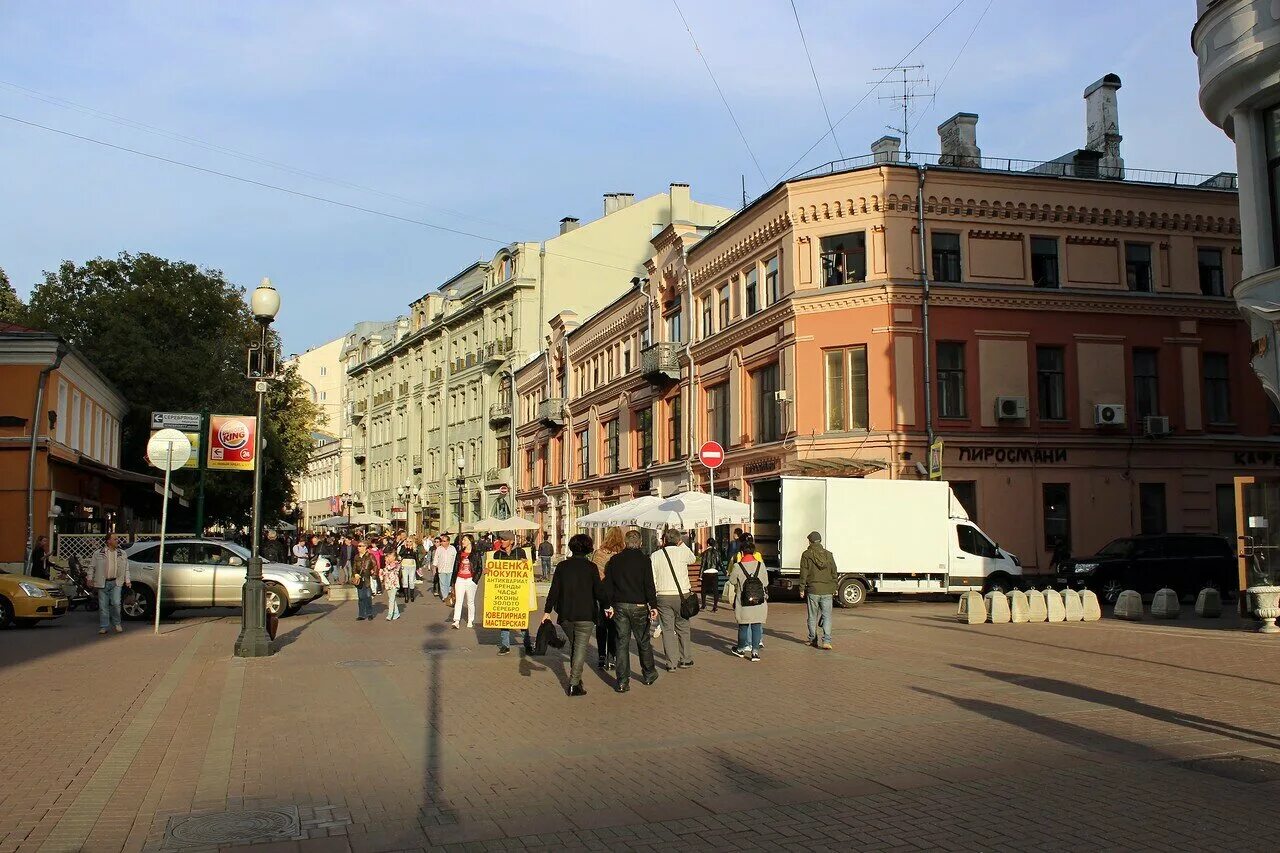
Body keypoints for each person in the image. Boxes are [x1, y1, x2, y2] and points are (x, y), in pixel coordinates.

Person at [543, 533, 611, 696]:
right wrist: (607, 606)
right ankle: (573, 684)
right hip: (586, 614)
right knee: (580, 648)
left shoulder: (562, 566)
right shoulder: (591, 567)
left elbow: (554, 590)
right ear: (588, 548)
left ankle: (577, 680)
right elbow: (599, 591)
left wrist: (547, 611)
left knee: (576, 645)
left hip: (566, 614)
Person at [603, 530, 659, 692]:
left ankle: (622, 681)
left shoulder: (615, 560)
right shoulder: (644, 560)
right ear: (640, 543)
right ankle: (648, 673)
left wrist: (608, 605)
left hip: (620, 605)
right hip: (639, 605)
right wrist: (653, 605)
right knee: (643, 640)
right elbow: (649, 585)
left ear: (625, 543)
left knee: (622, 643)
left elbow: (608, 585)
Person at [650, 528, 697, 671]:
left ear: (664, 540)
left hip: (663, 595)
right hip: (682, 594)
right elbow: (693, 559)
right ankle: (685, 659)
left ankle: (671, 663)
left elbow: (653, 578)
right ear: (678, 540)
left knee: (667, 629)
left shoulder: (655, 555)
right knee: (683, 627)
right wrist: (682, 544)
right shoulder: (682, 552)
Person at [725, 533, 768, 661]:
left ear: (742, 553)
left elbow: (732, 581)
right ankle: (755, 652)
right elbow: (765, 583)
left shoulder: (738, 566)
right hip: (759, 601)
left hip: (743, 601)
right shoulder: (761, 565)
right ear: (754, 552)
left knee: (743, 626)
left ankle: (740, 649)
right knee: (756, 626)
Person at [492, 534, 535, 655]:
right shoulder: (497, 554)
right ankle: (505, 645)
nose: (502, 541)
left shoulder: (520, 552)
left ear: (511, 541)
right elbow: (493, 570)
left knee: (521, 619)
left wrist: (525, 563)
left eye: (504, 540)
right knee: (504, 620)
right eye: (501, 539)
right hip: (503, 591)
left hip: (518, 591)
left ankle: (527, 645)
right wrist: (488, 571)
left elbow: (527, 569)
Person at [590, 527, 624, 670]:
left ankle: (601, 656)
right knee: (613, 627)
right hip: (615, 595)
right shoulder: (620, 555)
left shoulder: (598, 553)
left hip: (598, 593)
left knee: (601, 626)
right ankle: (612, 656)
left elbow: (592, 571)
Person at [799, 531, 837, 650]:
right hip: (827, 589)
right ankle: (826, 641)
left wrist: (801, 588)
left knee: (812, 616)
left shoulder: (806, 554)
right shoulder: (829, 555)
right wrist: (834, 586)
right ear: (820, 541)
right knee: (827, 616)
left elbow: (803, 572)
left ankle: (812, 639)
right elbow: (834, 572)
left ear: (810, 541)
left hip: (813, 589)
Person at [87, 532, 131, 635]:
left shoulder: (122, 553)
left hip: (116, 581)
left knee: (116, 603)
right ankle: (104, 626)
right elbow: (91, 567)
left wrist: (127, 580)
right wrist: (89, 578)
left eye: (117, 539)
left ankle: (117, 623)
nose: (117, 541)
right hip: (103, 582)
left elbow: (126, 568)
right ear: (108, 541)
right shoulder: (98, 553)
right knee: (103, 606)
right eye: (115, 539)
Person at [450, 534, 481, 629]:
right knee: (459, 601)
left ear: (470, 541)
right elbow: (455, 567)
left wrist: (474, 580)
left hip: (470, 580)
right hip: (460, 579)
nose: (462, 541)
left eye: (464, 540)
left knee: (470, 601)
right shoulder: (459, 553)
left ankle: (470, 620)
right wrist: (453, 582)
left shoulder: (476, 554)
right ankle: (456, 620)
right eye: (462, 540)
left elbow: (479, 568)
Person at [699, 538, 723, 612]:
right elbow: (720, 564)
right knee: (715, 590)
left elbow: (703, 564)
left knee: (704, 589)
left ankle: (703, 605)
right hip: (715, 572)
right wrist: (725, 572)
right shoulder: (717, 552)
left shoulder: (705, 553)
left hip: (706, 572)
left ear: (708, 544)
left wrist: (700, 575)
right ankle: (715, 607)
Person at [434, 534, 457, 602]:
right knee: (442, 583)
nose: (442, 542)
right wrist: (434, 567)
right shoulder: (439, 549)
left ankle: (448, 595)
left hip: (450, 569)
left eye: (444, 541)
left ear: (448, 542)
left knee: (448, 583)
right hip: (441, 569)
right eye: (442, 541)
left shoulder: (452, 548)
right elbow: (436, 558)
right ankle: (445, 597)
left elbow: (456, 558)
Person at [396, 532, 418, 603]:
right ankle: (406, 597)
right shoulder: (403, 547)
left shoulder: (414, 548)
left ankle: (411, 596)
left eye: (410, 541)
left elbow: (416, 557)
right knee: (405, 580)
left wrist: (418, 567)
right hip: (404, 565)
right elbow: (400, 554)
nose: (409, 543)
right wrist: (406, 548)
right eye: (407, 541)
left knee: (411, 581)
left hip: (412, 565)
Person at [381, 547, 402, 620]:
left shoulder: (396, 564)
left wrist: (387, 563)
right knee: (392, 599)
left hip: (394, 584)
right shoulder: (387, 564)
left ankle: (390, 614)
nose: (389, 557)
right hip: (388, 583)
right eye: (388, 556)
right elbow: (384, 572)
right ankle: (396, 613)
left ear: (394, 557)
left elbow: (390, 568)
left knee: (391, 600)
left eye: (391, 556)